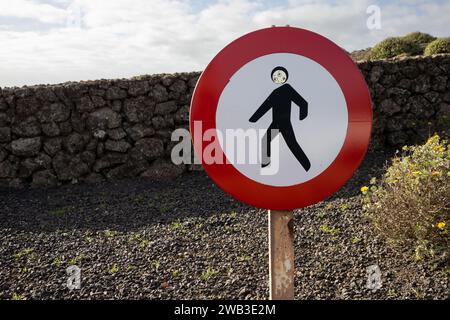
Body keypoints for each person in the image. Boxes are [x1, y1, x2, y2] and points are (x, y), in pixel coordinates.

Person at [249, 66, 311, 171]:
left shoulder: (287, 88)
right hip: (276, 123)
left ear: (285, 77)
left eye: (280, 75)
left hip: (285, 123)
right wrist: (254, 119)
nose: (277, 78)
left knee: (292, 144)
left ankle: (307, 166)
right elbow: (265, 106)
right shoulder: (274, 92)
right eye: (275, 76)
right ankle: (265, 164)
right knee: (265, 140)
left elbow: (303, 102)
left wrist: (302, 116)